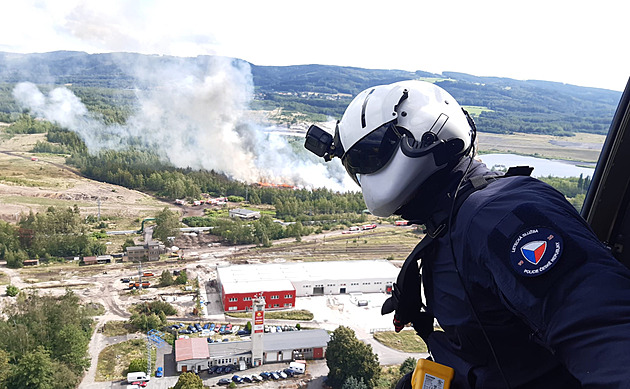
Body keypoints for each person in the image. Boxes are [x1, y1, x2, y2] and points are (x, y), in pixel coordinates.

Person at [303, 80, 630, 388]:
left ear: (421, 139)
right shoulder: (455, 220)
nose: (363, 175)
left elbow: (610, 338)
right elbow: (499, 353)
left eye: (367, 158)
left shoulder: (505, 217)